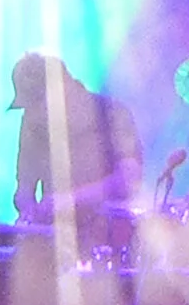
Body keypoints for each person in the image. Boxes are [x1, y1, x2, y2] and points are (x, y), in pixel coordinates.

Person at [9, 52, 142, 226]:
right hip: (52, 233)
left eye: (37, 102)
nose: (32, 112)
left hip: (109, 232)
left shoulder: (112, 114)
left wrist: (71, 200)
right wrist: (28, 209)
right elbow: (24, 186)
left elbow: (129, 178)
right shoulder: (32, 122)